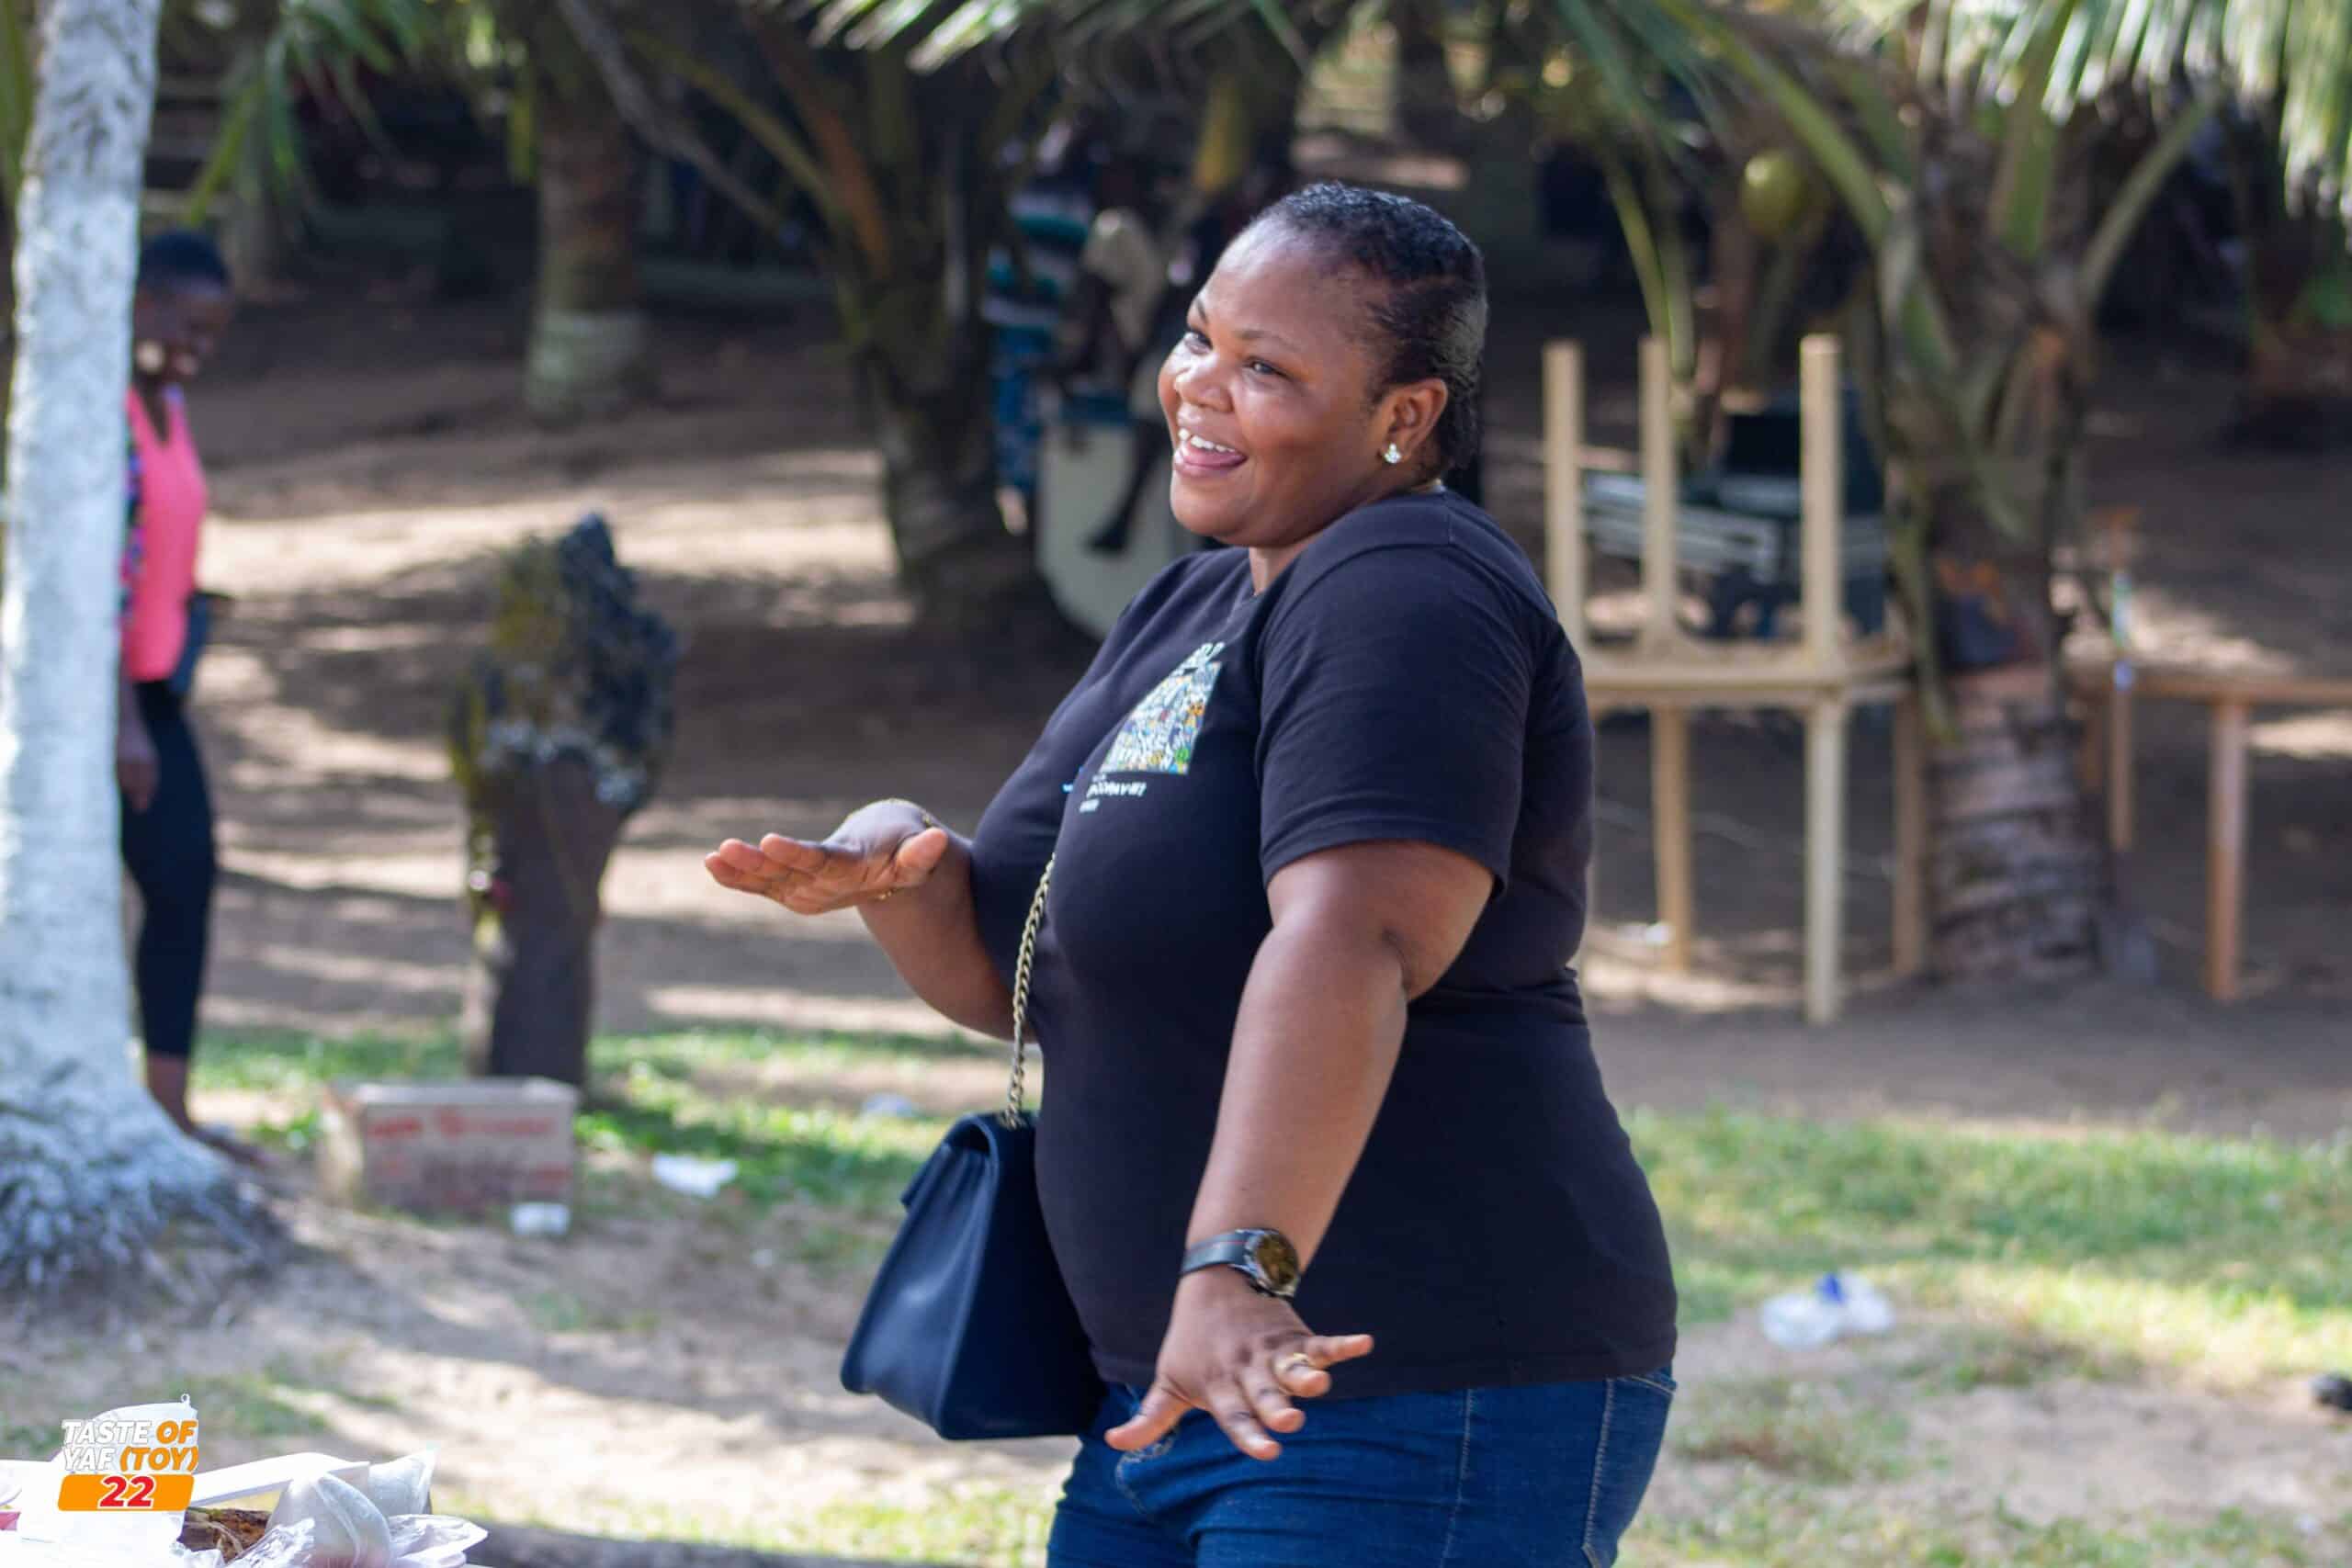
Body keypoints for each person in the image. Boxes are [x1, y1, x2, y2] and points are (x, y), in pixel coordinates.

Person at [708, 183, 1678, 1565]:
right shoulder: (1201, 601)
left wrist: (1237, 1265)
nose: (1197, 388)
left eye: (1265, 368)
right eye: (1199, 338)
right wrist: (894, 859)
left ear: (1404, 416)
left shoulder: (1409, 580)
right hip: (1178, 1397)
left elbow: (1355, 937)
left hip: (1410, 1395)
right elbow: (1017, 973)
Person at [118, 230, 243, 1158]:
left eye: (213, 334)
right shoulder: (104, 413)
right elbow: (88, 573)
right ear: (144, 304)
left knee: (185, 879)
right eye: (187, 328)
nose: (198, 349)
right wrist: (121, 721)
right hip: (109, 707)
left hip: (158, 691)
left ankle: (168, 1108)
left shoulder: (170, 405)